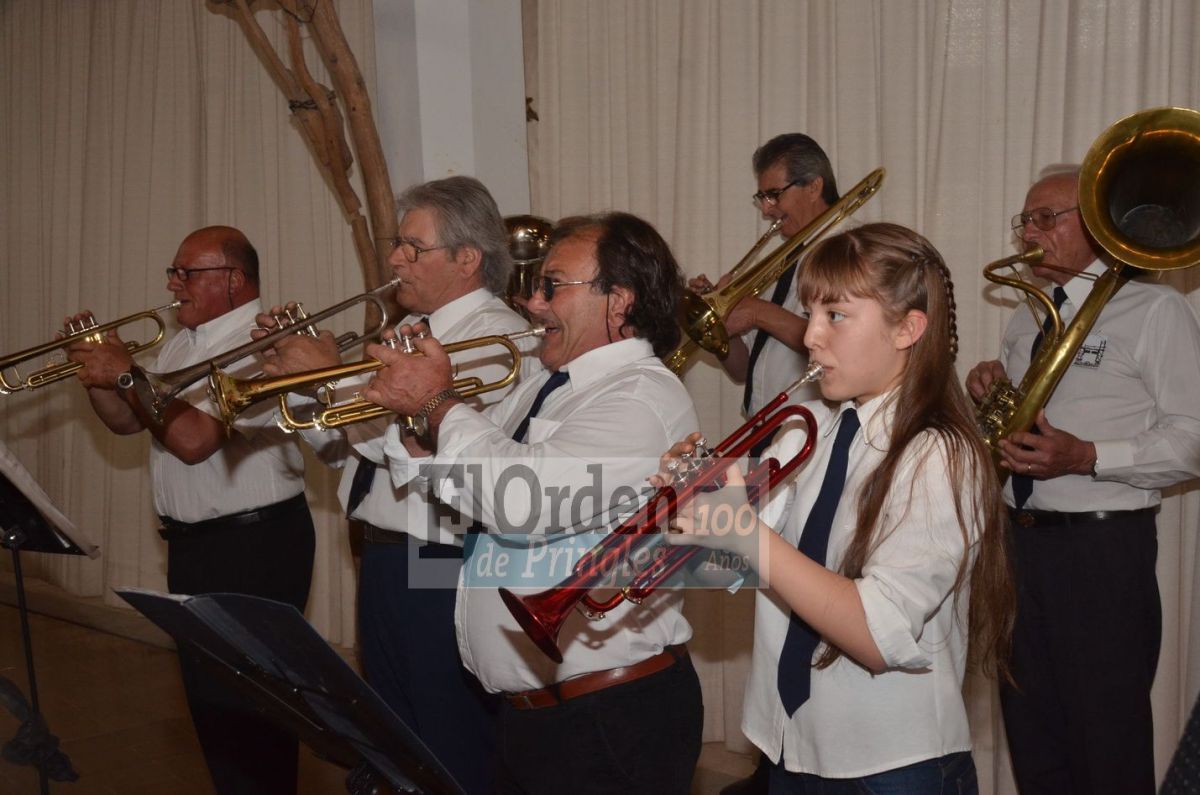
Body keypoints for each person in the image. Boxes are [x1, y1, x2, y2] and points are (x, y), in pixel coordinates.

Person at [658, 223, 1012, 793]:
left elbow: (876, 631)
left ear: (908, 329)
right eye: (811, 313)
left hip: (890, 761)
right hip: (790, 741)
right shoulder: (815, 427)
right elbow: (740, 568)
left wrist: (742, 530)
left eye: (836, 316)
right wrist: (694, 510)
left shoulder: (939, 455)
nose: (811, 337)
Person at [363, 212, 703, 795]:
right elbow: (469, 486)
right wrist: (420, 424)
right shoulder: (545, 384)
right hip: (537, 713)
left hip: (607, 716)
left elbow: (518, 502)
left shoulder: (639, 396)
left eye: (552, 286)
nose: (532, 303)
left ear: (617, 301)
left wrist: (439, 402)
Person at [255, 176, 541, 794]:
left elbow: (434, 446)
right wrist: (303, 388)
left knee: (449, 745)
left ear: (468, 258)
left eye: (413, 248)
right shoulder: (406, 330)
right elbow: (347, 451)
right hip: (386, 553)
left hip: (443, 559)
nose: (394, 261)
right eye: (397, 246)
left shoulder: (498, 337)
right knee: (396, 745)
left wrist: (333, 378)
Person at [966, 168, 1200, 794]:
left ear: (1097, 223)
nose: (1030, 234)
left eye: (1048, 218)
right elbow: (1019, 429)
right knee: (1032, 731)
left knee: (1107, 738)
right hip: (1018, 544)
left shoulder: (1155, 308)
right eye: (1025, 220)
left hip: (1102, 551)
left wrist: (1088, 456)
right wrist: (990, 394)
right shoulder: (1025, 314)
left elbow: (1193, 437)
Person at [66, 225, 314, 795]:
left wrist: (127, 372)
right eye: (173, 273)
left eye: (187, 272)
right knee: (210, 703)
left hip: (257, 547)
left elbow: (195, 441)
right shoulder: (181, 344)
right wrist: (98, 376)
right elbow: (130, 421)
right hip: (194, 545)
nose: (174, 284)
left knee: (256, 707)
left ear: (233, 279)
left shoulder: (263, 344)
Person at [691, 133, 835, 424]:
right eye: (762, 198)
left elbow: (840, 344)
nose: (768, 209)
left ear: (813, 186)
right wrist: (718, 323)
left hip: (813, 430)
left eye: (774, 194)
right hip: (763, 429)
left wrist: (759, 313)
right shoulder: (782, 262)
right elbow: (742, 370)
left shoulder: (850, 252)